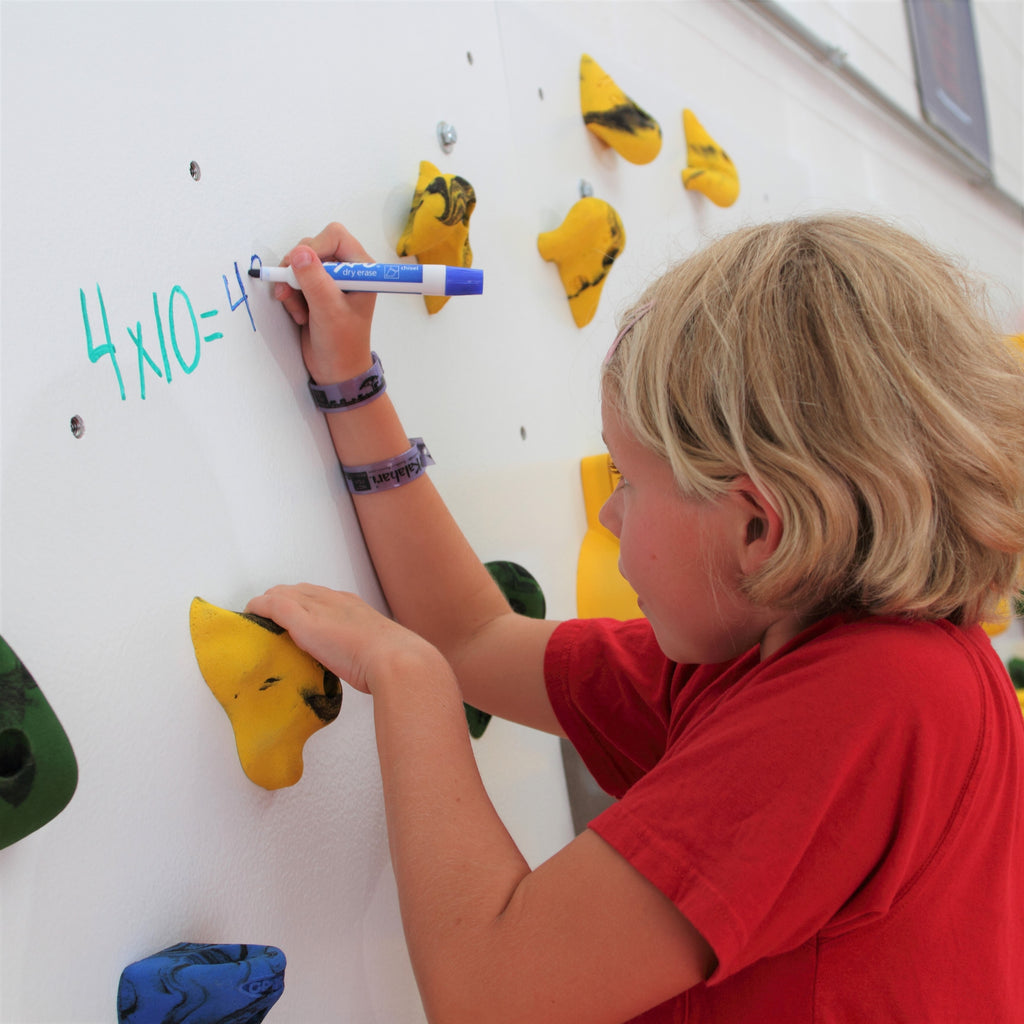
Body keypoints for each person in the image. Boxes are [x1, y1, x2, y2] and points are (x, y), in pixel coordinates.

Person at [246, 215, 1024, 1024]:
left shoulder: (873, 697)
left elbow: (489, 996)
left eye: (629, 479)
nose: (612, 515)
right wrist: (351, 381)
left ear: (758, 527)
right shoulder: (793, 647)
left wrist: (407, 679)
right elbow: (473, 636)